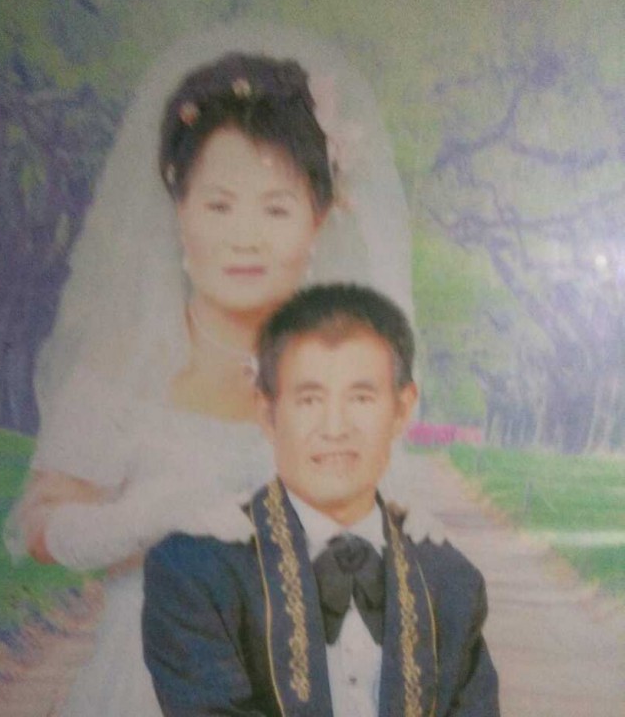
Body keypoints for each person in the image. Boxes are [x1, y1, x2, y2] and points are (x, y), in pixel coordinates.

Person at [4, 21, 432, 717]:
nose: (244, 237)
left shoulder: (351, 371)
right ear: (180, 208)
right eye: (219, 204)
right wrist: (149, 517)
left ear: (320, 217)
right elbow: (40, 527)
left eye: (276, 208)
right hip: (147, 682)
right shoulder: (123, 366)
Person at [144, 283, 499, 717]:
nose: (335, 428)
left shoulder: (451, 581)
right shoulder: (198, 572)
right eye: (309, 399)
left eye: (361, 398)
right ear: (267, 413)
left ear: (402, 409)